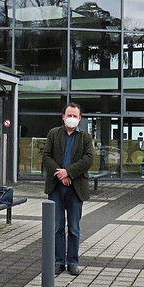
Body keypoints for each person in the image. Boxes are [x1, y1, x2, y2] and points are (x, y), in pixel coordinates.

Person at [42, 103, 94, 276]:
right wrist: (60, 174)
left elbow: (88, 159)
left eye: (75, 116)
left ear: (80, 118)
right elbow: (46, 156)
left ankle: (72, 261)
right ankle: (58, 262)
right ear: (63, 116)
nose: (72, 118)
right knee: (57, 227)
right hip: (56, 187)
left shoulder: (85, 137)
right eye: (69, 115)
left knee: (73, 228)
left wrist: (68, 173)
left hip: (76, 188)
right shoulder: (53, 134)